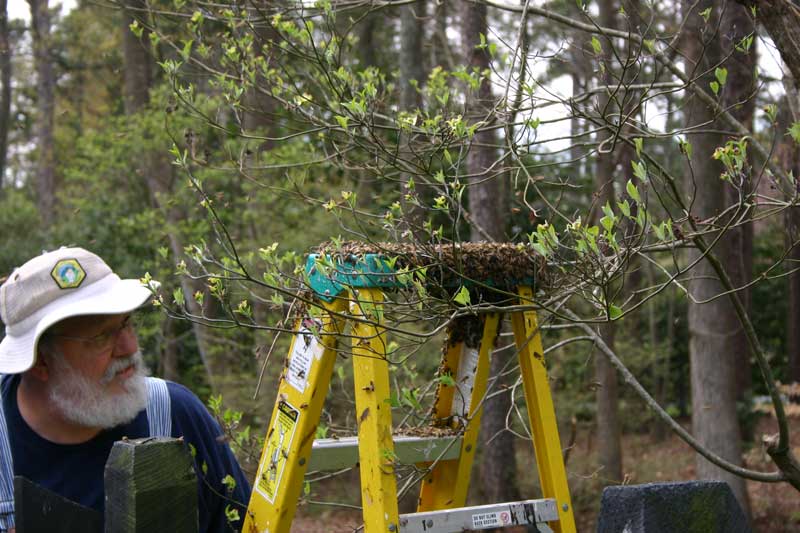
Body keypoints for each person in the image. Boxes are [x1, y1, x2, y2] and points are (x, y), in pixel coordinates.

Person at [0, 247, 251, 532]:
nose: (129, 347)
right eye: (101, 337)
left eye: (126, 324)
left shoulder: (174, 414)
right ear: (40, 361)